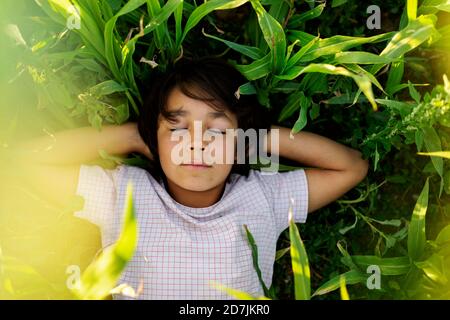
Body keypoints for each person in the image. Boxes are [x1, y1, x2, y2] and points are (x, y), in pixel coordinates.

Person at [10, 56, 369, 299]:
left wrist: (258, 137)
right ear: (156, 137)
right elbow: (24, 162)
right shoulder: (122, 193)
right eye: (177, 127)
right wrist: (133, 136)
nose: (196, 144)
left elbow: (351, 166)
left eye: (216, 130)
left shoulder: (264, 196)